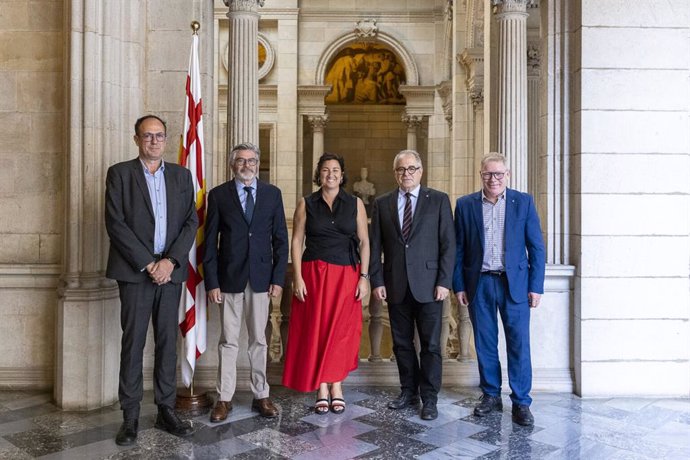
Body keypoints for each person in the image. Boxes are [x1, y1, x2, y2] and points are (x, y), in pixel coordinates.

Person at [105, 115, 198, 446]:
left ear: (166, 140)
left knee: (167, 342)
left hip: (170, 273)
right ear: (137, 140)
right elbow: (116, 224)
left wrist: (170, 262)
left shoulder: (182, 176)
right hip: (135, 273)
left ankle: (165, 409)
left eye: (159, 136)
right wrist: (149, 264)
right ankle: (130, 417)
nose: (154, 141)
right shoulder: (120, 174)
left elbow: (190, 221)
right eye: (148, 136)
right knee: (133, 343)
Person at [452, 152, 545, 427]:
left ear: (508, 175)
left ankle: (521, 402)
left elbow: (536, 247)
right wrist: (459, 285)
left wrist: (536, 286)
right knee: (485, 343)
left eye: (499, 174)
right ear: (481, 175)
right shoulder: (466, 205)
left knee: (518, 344)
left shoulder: (523, 202)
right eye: (488, 174)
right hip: (479, 283)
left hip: (514, 284)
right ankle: (491, 395)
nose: (493, 179)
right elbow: (458, 250)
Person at [203, 143, 289, 422]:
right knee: (228, 341)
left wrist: (277, 279)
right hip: (228, 279)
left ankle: (261, 395)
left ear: (258, 163)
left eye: (251, 160)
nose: (247, 165)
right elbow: (209, 244)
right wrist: (212, 282)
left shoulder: (272, 194)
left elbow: (280, 241)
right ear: (232, 165)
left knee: (259, 340)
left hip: (262, 280)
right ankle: (224, 398)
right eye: (241, 160)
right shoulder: (218, 196)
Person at [369, 149, 455, 421]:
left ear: (421, 170)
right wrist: (377, 280)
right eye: (400, 170)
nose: (406, 174)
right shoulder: (382, 203)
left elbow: (448, 245)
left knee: (430, 345)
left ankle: (429, 398)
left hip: (430, 286)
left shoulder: (438, 200)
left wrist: (444, 281)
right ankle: (408, 391)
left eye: (411, 169)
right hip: (395, 285)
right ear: (395, 173)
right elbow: (374, 247)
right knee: (402, 344)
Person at [282, 152, 370, 415]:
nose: (330, 174)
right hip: (314, 273)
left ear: (342, 175)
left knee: (342, 331)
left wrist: (364, 278)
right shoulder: (306, 203)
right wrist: (297, 277)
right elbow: (297, 241)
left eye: (335, 170)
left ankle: (337, 386)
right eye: (325, 170)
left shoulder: (355, 203)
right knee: (316, 329)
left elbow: (364, 242)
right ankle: (321, 386)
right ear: (318, 174)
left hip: (347, 273)